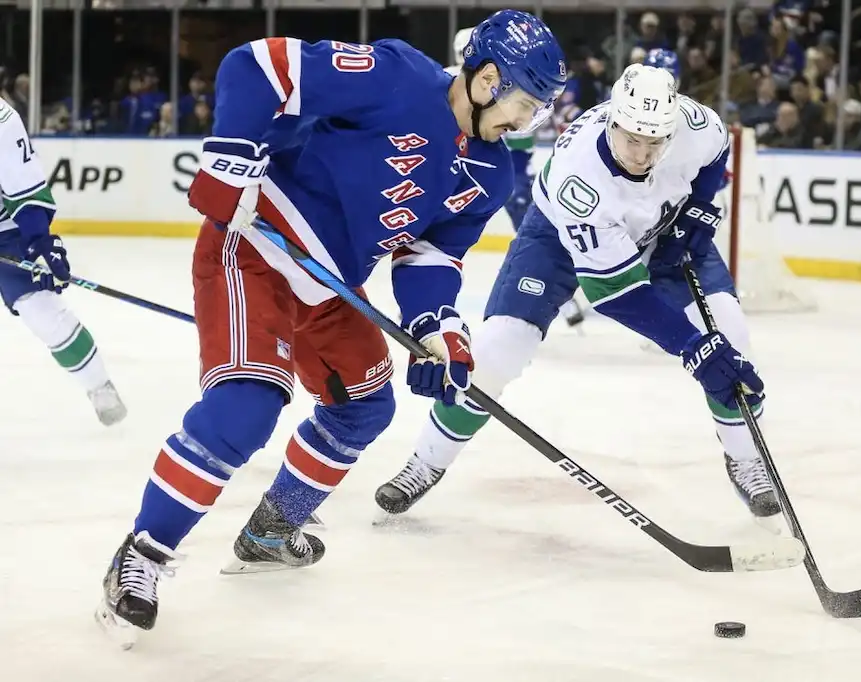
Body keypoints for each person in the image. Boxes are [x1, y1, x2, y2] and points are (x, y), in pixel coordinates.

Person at [95, 10, 566, 646]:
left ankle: (270, 530)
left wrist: (436, 327)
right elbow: (259, 66)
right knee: (245, 406)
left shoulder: (492, 172)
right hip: (255, 251)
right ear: (486, 80)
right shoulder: (398, 76)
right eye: (525, 105)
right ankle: (143, 555)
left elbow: (430, 256)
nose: (527, 122)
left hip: (330, 287)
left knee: (365, 408)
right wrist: (232, 155)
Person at [375, 64, 780, 533]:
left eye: (655, 144)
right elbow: (614, 293)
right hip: (556, 240)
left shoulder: (691, 124)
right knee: (497, 352)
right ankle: (426, 461)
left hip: (667, 232)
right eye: (632, 140)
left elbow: (714, 155)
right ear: (611, 120)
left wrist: (700, 208)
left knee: (732, 337)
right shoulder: (579, 179)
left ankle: (747, 460)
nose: (642, 154)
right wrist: (692, 348)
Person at [449, 26, 587, 327]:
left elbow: (525, 133)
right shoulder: (453, 83)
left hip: (504, 170)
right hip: (467, 168)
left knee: (534, 235)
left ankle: (556, 297)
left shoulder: (514, 89)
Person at [0, 99, 126, 426]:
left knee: (41, 311)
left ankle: (99, 385)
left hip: (5, 231)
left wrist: (39, 239)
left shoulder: (2, 120)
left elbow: (23, 188)